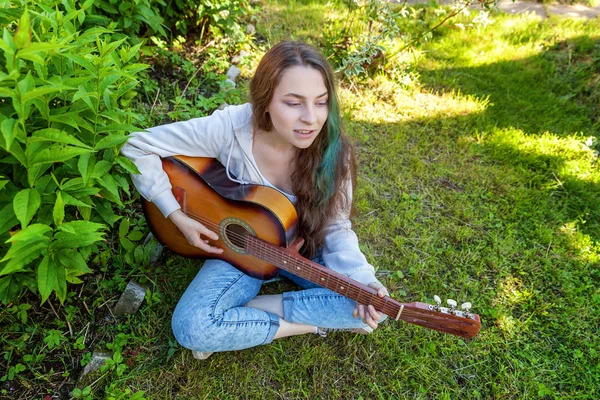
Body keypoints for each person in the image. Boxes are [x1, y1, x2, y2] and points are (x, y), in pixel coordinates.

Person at [121, 41, 388, 359]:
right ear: (265, 102)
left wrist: (362, 280)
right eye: (293, 103)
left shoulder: (334, 150)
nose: (311, 119)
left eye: (321, 103)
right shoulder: (229, 129)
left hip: (300, 246)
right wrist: (177, 215)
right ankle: (307, 323)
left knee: (373, 307)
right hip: (241, 253)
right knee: (192, 327)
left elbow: (337, 227)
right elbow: (136, 146)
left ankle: (255, 310)